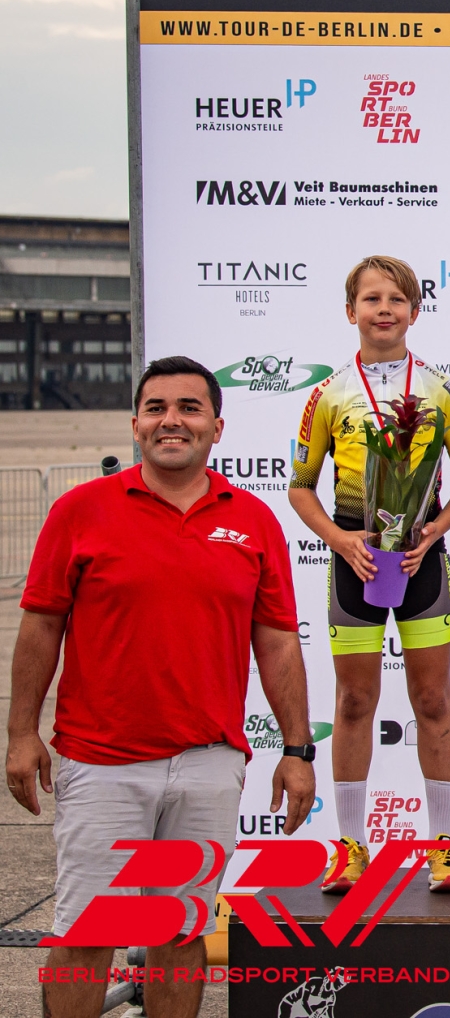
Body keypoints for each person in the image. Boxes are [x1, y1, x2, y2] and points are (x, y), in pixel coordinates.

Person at [8, 356, 315, 1018]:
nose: (171, 420)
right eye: (156, 408)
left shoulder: (253, 520)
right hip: (102, 763)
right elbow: (41, 625)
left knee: (179, 936)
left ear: (216, 427)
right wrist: (21, 732)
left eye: (189, 408)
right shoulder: (80, 510)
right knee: (87, 936)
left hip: (209, 764)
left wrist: (297, 749)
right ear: (136, 425)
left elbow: (277, 641)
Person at [290, 256, 450, 893]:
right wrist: (340, 540)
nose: (384, 309)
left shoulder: (440, 390)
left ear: (414, 312)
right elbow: (300, 486)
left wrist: (433, 531)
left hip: (419, 563)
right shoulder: (329, 394)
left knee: (433, 701)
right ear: (351, 311)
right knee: (354, 702)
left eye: (396, 299)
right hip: (357, 562)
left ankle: (443, 845)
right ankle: (350, 846)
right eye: (372, 299)